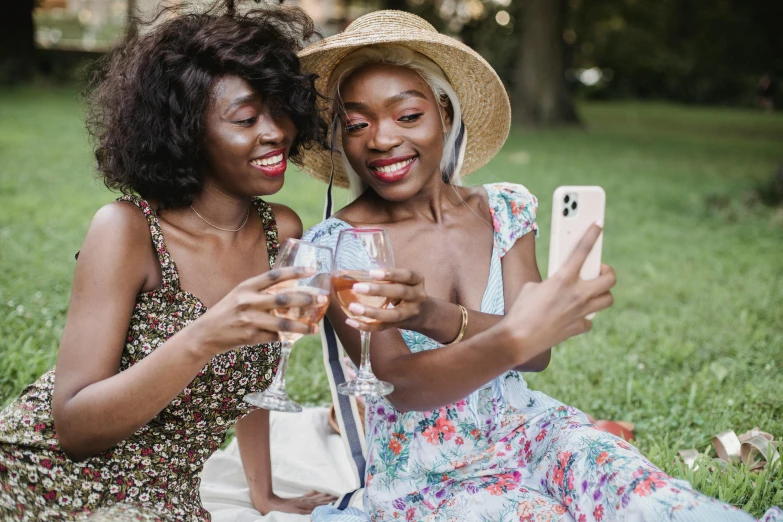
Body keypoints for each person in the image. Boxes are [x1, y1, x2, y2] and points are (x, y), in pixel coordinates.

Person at [298, 11, 783, 522]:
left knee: (646, 495)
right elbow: (402, 386)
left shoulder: (504, 210)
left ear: (444, 112)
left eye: (408, 115)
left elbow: (535, 356)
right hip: (428, 474)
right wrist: (508, 330)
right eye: (356, 124)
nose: (380, 139)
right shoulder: (340, 247)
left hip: (532, 430)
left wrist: (431, 315)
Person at [0, 3, 337, 520]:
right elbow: (75, 428)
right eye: (246, 118)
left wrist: (263, 494)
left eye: (280, 108)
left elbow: (255, 382)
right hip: (43, 475)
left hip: (162, 496)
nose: (275, 131)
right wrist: (206, 335)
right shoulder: (128, 230)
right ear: (186, 131)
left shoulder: (281, 232)